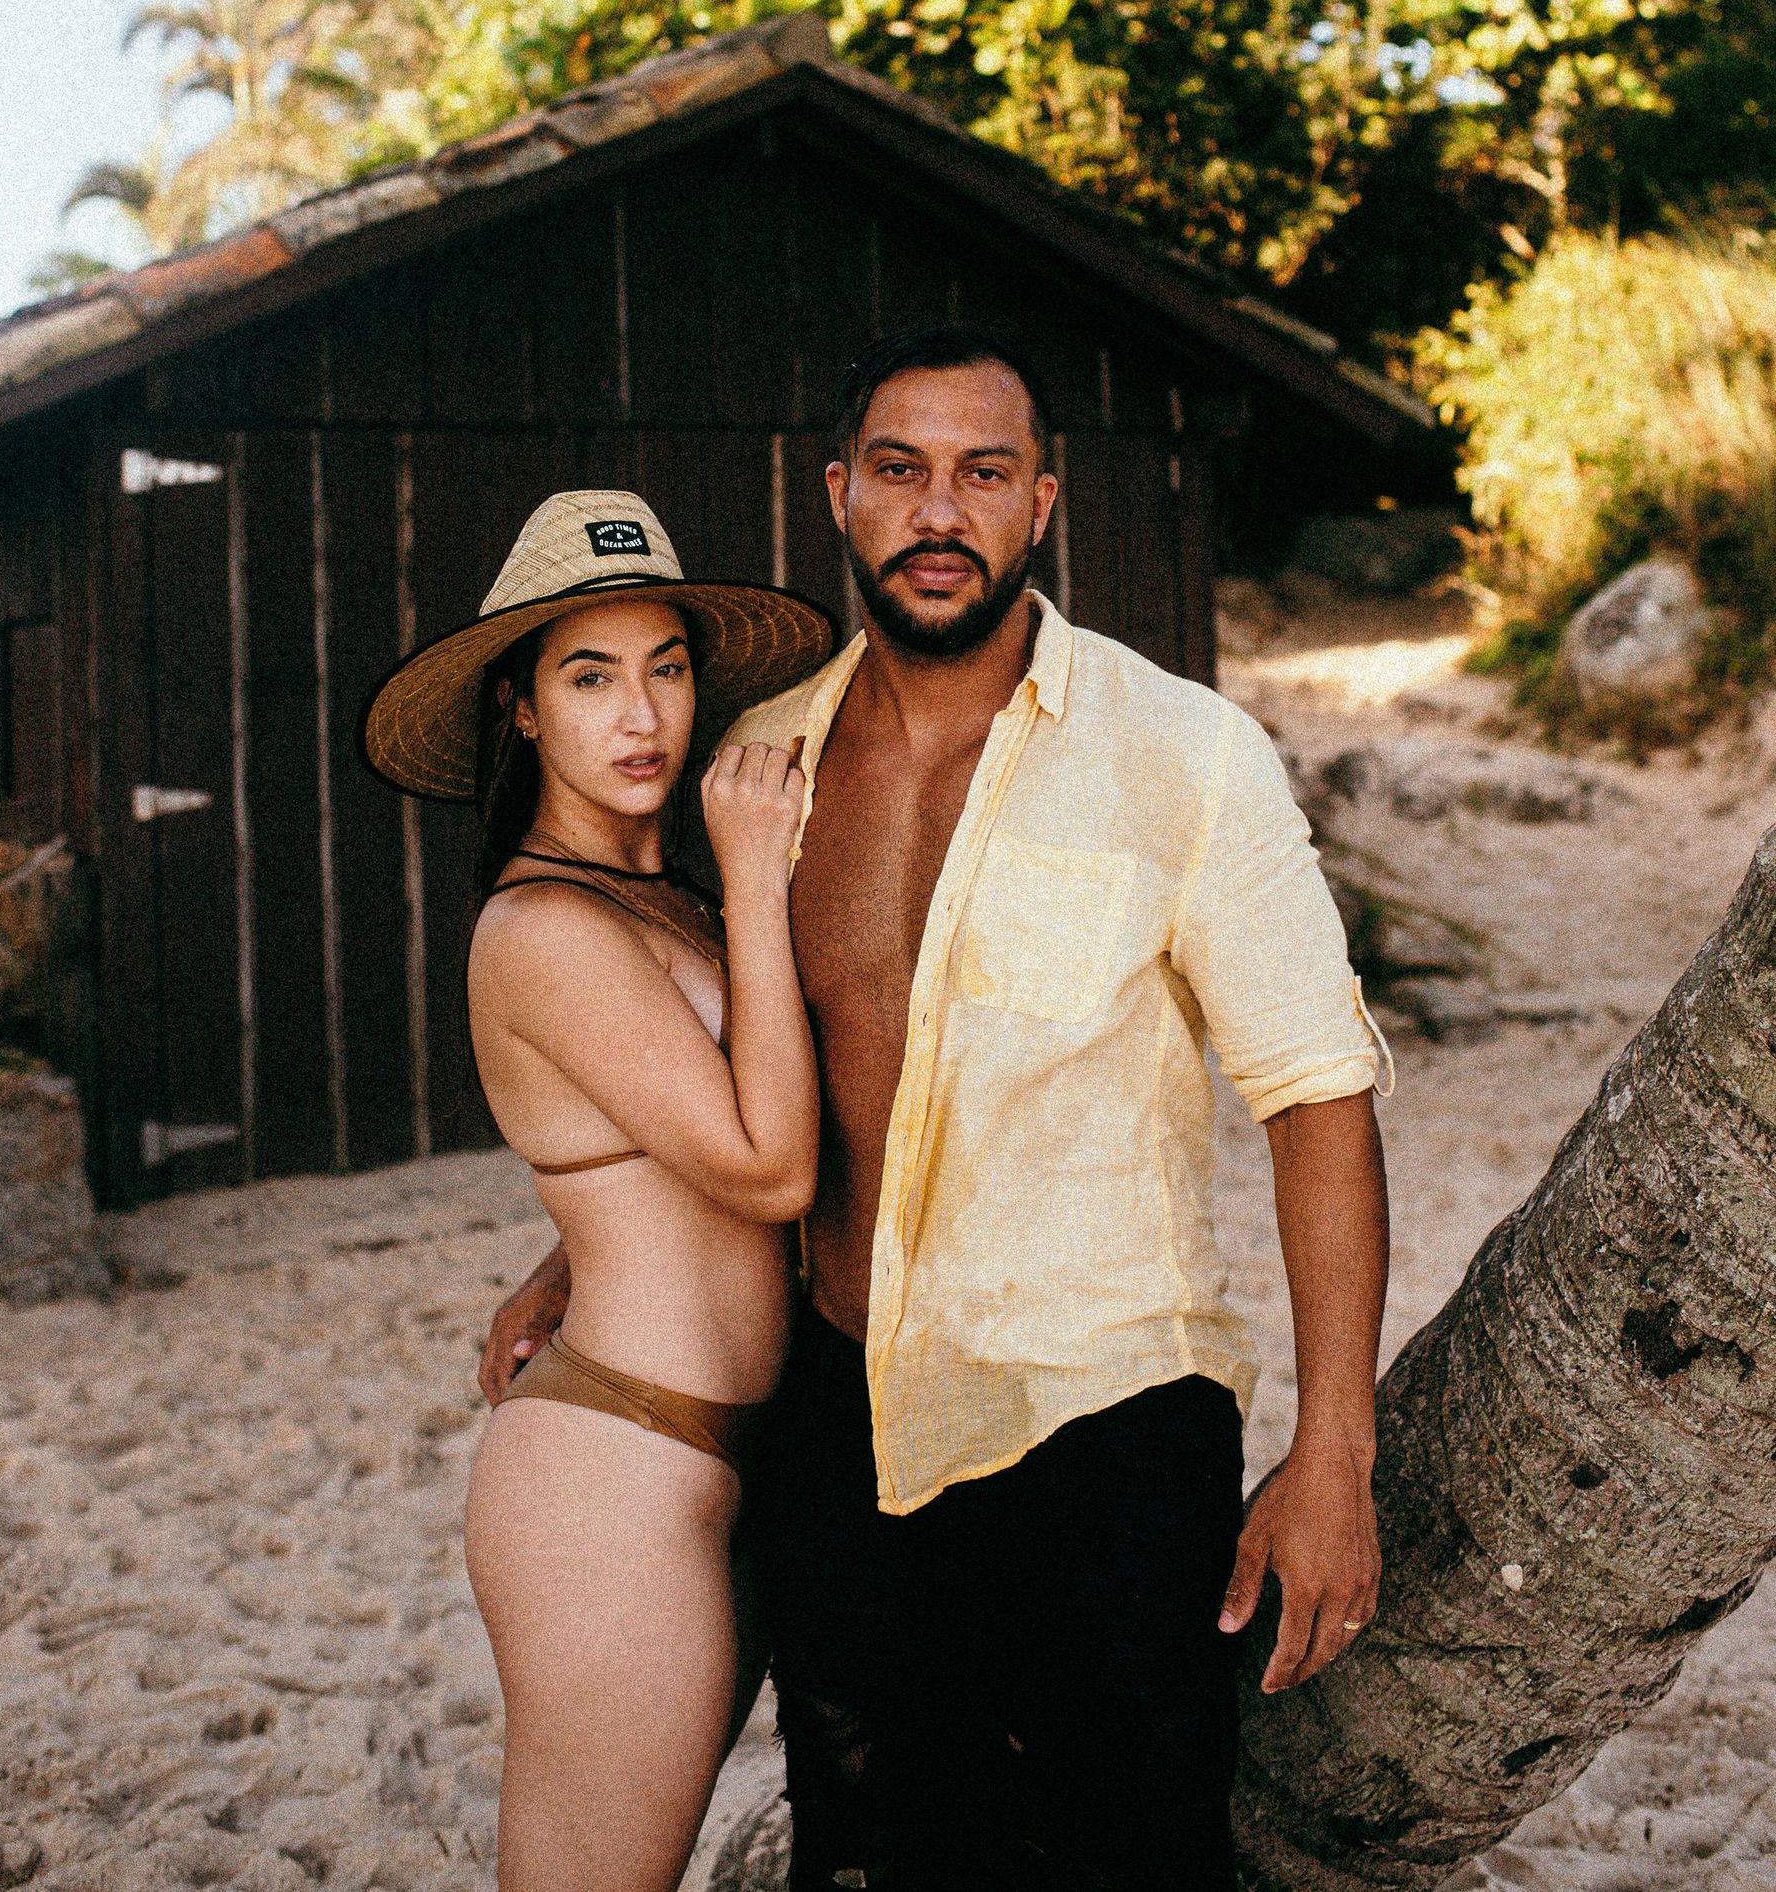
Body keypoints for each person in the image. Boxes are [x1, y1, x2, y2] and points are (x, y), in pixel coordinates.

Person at [480, 337, 1395, 1892]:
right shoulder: (764, 760)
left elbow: (1317, 1096)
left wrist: (1337, 1455)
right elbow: (708, 1051)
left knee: (1132, 1857)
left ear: (1043, 503)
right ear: (840, 498)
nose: (939, 511)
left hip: (1106, 1418)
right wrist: (587, 1243)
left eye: (984, 473)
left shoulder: (1182, 752)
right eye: (899, 470)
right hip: (844, 1420)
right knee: (877, 1851)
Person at [363, 489, 836, 1892]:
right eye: (589, 677)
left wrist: (565, 1253)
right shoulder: (542, 923)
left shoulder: (664, 897)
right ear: (521, 710)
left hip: (745, 1459)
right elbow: (770, 1165)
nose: (641, 716)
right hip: (618, 1473)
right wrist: (761, 878)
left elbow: (645, 1144)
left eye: (667, 668)